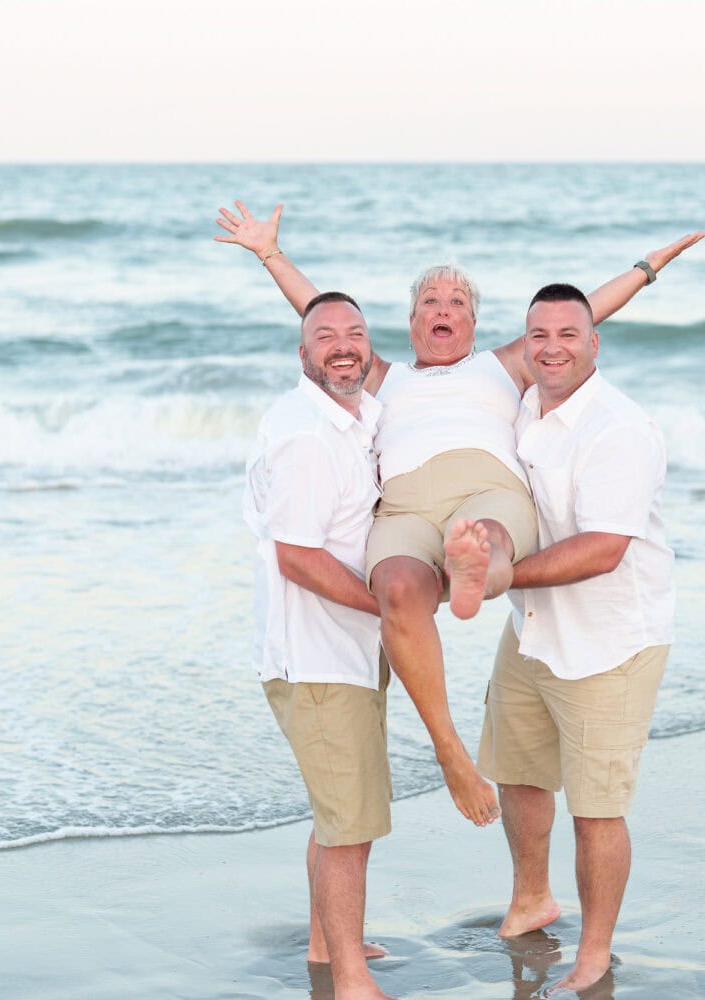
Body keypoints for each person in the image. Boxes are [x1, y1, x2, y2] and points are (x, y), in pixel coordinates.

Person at [218, 201, 701, 829]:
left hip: (486, 489)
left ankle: (477, 569)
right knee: (394, 585)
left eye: (457, 303)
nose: (443, 309)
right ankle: (449, 748)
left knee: (488, 535)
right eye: (430, 302)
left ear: (475, 323)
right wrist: (269, 254)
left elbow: (579, 316)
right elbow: (324, 323)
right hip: (407, 507)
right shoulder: (381, 377)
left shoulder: (502, 367)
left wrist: (646, 268)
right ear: (411, 321)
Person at [469, 283, 676, 994]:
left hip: (609, 641)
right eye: (539, 335)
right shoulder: (527, 403)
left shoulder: (616, 428)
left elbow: (603, 549)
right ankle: (532, 897)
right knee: (519, 771)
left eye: (568, 334)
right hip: (532, 627)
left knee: (596, 810)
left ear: (595, 343)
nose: (552, 347)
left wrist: (503, 576)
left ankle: (594, 951)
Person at [244, 291, 395, 1000]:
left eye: (355, 334)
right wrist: (391, 612)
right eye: (325, 336)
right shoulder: (306, 435)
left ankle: (326, 941)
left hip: (350, 651)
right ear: (302, 354)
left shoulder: (358, 416)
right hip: (318, 656)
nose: (343, 346)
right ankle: (351, 976)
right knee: (349, 823)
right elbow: (298, 556)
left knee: (339, 811)